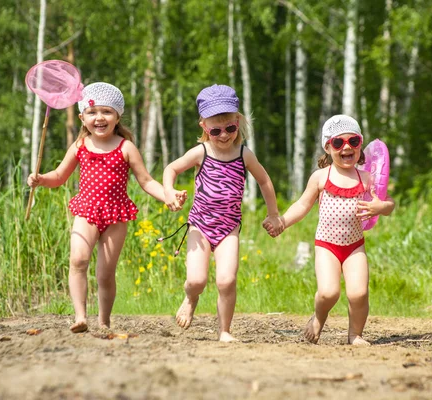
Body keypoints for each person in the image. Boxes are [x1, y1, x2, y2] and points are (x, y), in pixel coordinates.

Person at [27, 82, 186, 333]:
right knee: (78, 259)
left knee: (104, 273)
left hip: (115, 215)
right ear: (82, 117)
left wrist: (168, 195)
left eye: (106, 112)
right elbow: (59, 176)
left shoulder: (126, 147)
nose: (99, 118)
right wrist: (40, 179)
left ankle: (104, 321)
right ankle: (80, 316)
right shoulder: (80, 145)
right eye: (92, 112)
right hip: (87, 212)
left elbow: (146, 181)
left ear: (117, 116)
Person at [162, 84, 284, 342]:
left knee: (226, 281)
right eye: (215, 130)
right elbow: (171, 169)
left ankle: (224, 331)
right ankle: (190, 298)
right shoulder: (202, 152)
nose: (224, 135)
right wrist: (169, 192)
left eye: (230, 128)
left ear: (238, 122)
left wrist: (273, 214)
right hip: (200, 226)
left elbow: (264, 181)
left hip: (229, 228)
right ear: (204, 127)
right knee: (197, 280)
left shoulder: (244, 154)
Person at [264, 114, 395, 346]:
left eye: (353, 142)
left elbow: (389, 204)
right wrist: (282, 222)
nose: (346, 147)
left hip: (355, 246)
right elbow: (303, 205)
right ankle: (318, 319)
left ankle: (355, 334)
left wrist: (380, 207)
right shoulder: (320, 177)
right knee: (328, 293)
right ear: (328, 147)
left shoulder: (365, 178)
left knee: (359, 294)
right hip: (327, 245)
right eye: (338, 143)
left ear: (360, 144)